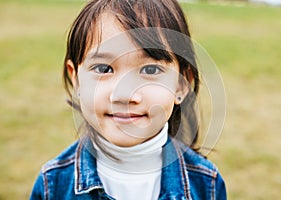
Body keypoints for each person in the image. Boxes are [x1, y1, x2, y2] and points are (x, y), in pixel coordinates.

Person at [30, 0, 226, 199]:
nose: (124, 95)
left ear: (181, 85)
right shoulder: (52, 186)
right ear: (77, 81)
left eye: (150, 70)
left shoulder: (206, 184)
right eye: (103, 69)